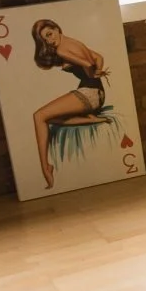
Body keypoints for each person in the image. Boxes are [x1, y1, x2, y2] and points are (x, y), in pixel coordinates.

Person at [30, 18, 110, 190]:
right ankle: (91, 119)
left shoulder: (62, 50)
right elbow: (98, 57)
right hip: (97, 93)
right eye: (45, 40)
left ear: (57, 28)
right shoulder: (73, 42)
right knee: (49, 119)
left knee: (38, 116)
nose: (50, 41)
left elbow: (88, 63)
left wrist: (92, 72)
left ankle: (45, 167)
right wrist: (97, 72)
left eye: (49, 34)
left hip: (89, 94)